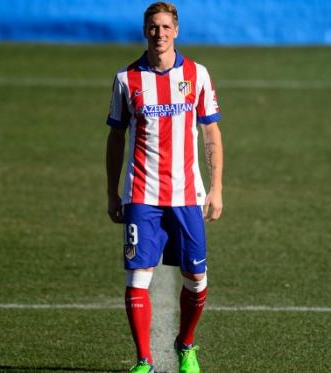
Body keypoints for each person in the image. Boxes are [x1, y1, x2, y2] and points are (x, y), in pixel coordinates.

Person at [105, 2, 223, 372]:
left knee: (196, 279)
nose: (160, 33)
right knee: (138, 275)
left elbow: (211, 133)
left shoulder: (197, 74)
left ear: (176, 31)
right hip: (142, 195)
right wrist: (112, 192)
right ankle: (143, 360)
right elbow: (115, 138)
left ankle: (186, 344)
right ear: (145, 30)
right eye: (153, 27)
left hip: (187, 195)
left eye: (166, 27)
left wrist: (217, 187)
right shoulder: (126, 79)